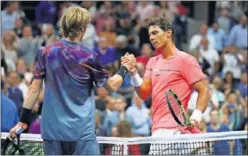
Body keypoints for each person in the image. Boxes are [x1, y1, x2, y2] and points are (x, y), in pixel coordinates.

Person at [9, 7, 133, 155]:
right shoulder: (89, 56)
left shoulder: (46, 52)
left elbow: (34, 90)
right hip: (81, 133)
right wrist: (124, 68)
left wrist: (22, 122)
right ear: (81, 28)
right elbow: (111, 86)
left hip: (52, 131)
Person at [122, 14, 210, 154]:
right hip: (159, 132)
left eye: (155, 33)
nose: (151, 38)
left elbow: (204, 90)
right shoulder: (152, 62)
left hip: (181, 132)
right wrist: (133, 73)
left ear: (168, 33)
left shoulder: (186, 60)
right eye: (150, 34)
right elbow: (144, 93)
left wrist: (196, 117)